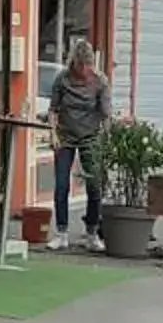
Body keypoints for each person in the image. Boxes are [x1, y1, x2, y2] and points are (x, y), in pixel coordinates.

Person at [48, 39, 112, 248]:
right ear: (73, 64)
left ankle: (92, 233)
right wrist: (53, 135)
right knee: (61, 185)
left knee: (94, 185)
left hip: (91, 137)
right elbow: (53, 110)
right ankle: (61, 233)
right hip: (65, 136)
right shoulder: (62, 80)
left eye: (88, 66)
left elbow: (106, 114)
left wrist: (109, 138)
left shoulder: (100, 81)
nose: (85, 71)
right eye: (81, 66)